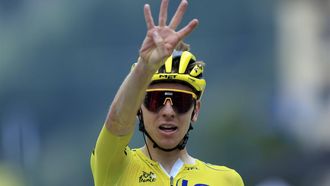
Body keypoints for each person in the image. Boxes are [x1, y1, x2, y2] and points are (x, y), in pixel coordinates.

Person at [90, 0, 244, 185]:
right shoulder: (114, 165)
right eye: (156, 100)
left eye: (180, 101)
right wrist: (144, 68)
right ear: (138, 108)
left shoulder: (227, 180)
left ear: (195, 110)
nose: (168, 111)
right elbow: (116, 121)